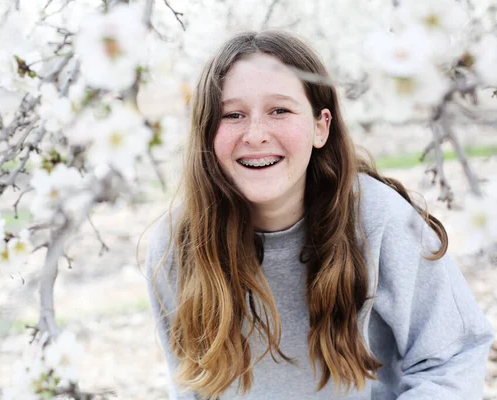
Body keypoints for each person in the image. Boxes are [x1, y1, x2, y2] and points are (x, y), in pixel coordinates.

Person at [144, 30, 495, 400]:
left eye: (279, 110)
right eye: (232, 114)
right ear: (206, 133)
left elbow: (452, 356)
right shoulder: (177, 245)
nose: (256, 134)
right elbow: (190, 384)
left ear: (320, 126)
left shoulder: (379, 219)